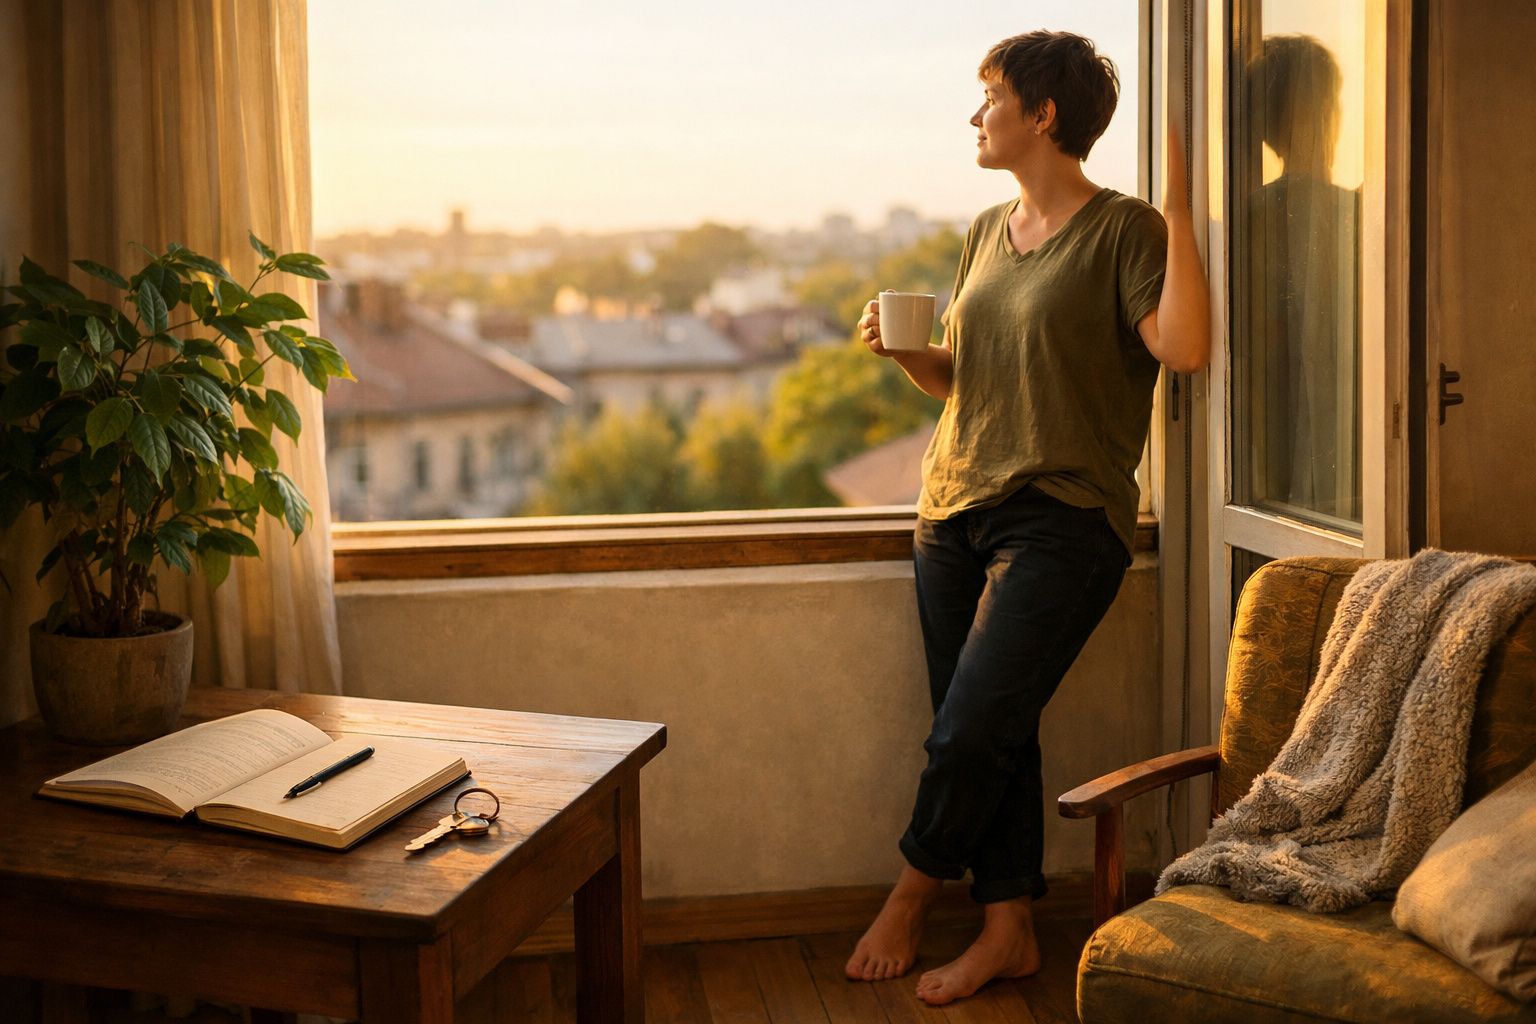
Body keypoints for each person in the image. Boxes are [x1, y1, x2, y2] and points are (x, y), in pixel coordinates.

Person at [844, 30, 1210, 1006]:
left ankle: (912, 892)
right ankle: (1007, 929)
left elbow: (1181, 346)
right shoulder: (984, 231)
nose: (976, 116)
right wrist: (904, 354)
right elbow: (962, 380)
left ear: (1044, 115)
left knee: (969, 731)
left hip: (1062, 519)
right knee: (991, 727)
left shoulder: (1126, 230)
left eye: (991, 97)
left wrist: (1179, 212)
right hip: (950, 509)